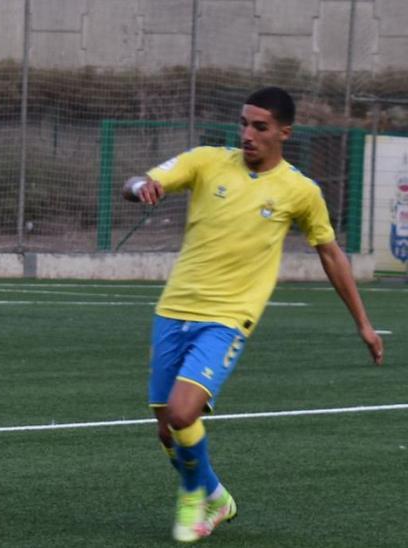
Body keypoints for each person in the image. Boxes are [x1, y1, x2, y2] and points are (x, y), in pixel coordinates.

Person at [122, 86, 384, 543]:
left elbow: (331, 254)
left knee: (184, 414)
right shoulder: (206, 161)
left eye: (259, 127)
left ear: (284, 132)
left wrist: (363, 322)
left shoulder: (300, 191)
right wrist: (143, 187)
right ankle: (217, 496)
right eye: (243, 123)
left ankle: (192, 501)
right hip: (173, 309)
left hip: (228, 318)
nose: (247, 134)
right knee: (167, 431)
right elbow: (137, 181)